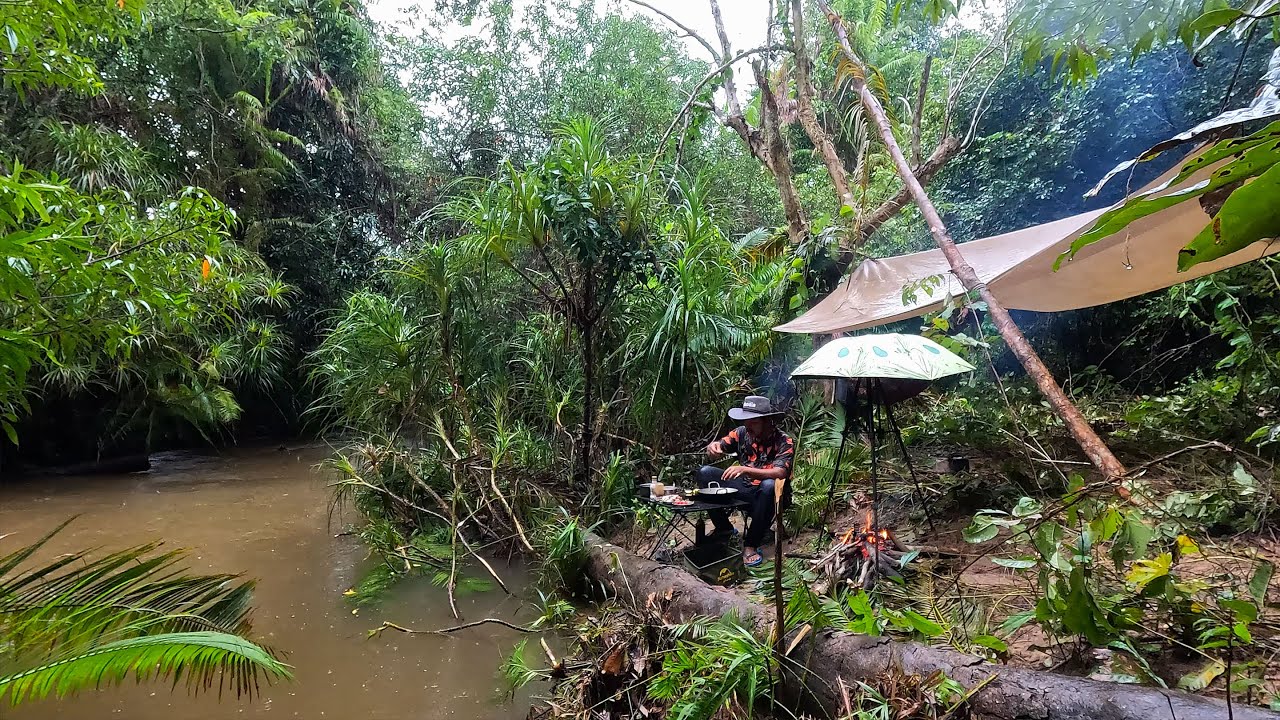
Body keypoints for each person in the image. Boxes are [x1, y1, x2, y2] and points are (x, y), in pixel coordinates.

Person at [698, 395, 795, 567]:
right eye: (746, 421)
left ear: (767, 421)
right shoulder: (741, 433)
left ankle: (751, 545)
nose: (748, 426)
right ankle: (724, 529)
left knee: (769, 485)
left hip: (771, 496)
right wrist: (713, 448)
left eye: (754, 422)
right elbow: (720, 444)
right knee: (705, 473)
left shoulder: (783, 441)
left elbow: (780, 472)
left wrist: (745, 470)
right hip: (745, 488)